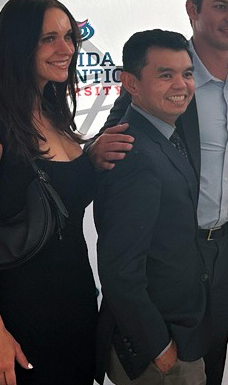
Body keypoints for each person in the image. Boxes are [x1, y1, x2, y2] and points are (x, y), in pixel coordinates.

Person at [91, 0, 228, 385]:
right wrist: (92, 153)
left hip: (223, 252)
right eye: (220, 6)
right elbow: (125, 129)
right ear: (192, 9)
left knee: (208, 373)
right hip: (169, 256)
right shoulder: (161, 72)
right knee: (166, 370)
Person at [0, 0, 98, 385]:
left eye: (69, 37)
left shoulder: (55, 114)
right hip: (16, 324)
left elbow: (63, 196)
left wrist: (95, 156)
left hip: (76, 315)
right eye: (49, 38)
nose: (65, 49)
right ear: (19, 45)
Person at [94, 30, 211, 385]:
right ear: (130, 82)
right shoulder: (132, 152)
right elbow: (120, 271)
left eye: (187, 73)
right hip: (156, 354)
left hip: (180, 334)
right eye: (165, 74)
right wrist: (159, 348)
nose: (181, 84)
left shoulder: (166, 134)